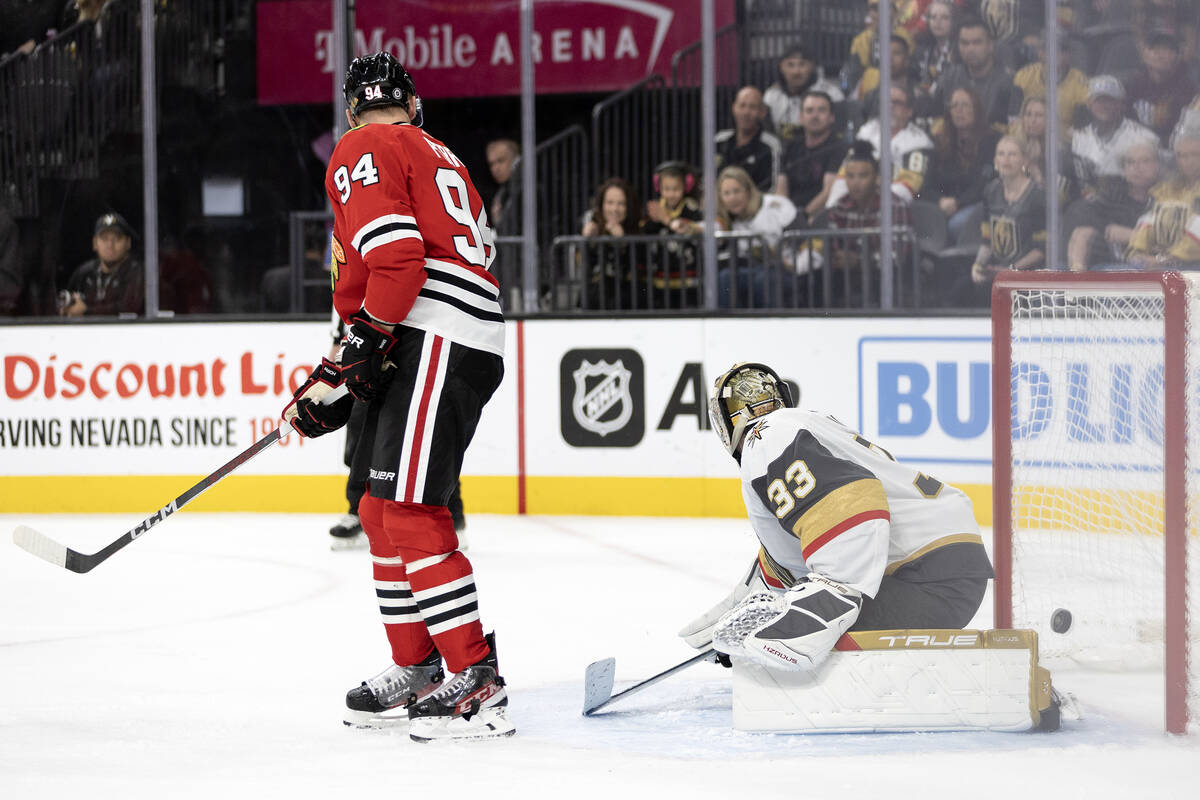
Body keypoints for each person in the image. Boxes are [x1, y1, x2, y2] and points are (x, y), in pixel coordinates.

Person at [279, 52, 511, 742]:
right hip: (428, 329)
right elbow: (374, 280)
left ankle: (475, 676)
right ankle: (418, 666)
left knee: (409, 509)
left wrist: (369, 336)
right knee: (379, 509)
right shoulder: (436, 150)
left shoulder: (360, 147)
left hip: (431, 330)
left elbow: (400, 259)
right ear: (413, 103)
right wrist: (334, 371)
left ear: (351, 112)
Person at [678, 363, 993, 673]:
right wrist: (736, 620)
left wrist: (826, 600)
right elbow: (782, 565)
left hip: (924, 579)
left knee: (788, 640)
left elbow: (855, 499)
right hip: (945, 571)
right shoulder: (808, 425)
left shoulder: (764, 437)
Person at [957, 134, 1046, 305]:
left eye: (1012, 154)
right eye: (1001, 154)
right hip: (998, 272)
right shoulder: (991, 191)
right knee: (960, 290)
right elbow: (987, 240)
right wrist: (978, 265)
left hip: (1027, 276)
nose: (1006, 159)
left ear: (1024, 161)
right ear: (995, 161)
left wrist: (1011, 270)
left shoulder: (1038, 196)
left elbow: (1041, 251)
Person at [826, 85, 934, 209]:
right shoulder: (866, 133)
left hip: (893, 213)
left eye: (897, 103)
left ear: (909, 111)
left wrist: (872, 209)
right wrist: (833, 208)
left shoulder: (918, 142)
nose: (890, 106)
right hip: (855, 208)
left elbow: (906, 189)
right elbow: (844, 177)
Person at [1067, 138, 1162, 271]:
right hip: (1110, 259)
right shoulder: (1111, 195)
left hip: (1152, 263)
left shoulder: (1168, 197)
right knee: (1082, 233)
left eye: (1145, 161)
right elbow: (1080, 224)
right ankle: (1075, 283)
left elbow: (1176, 245)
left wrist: (1132, 236)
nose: (1137, 167)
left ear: (1157, 166)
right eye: (1130, 162)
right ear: (1124, 170)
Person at [926, 87, 1002, 242]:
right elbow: (926, 185)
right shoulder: (940, 143)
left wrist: (958, 203)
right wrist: (940, 201)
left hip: (977, 206)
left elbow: (985, 184)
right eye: (954, 106)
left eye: (965, 105)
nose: (959, 110)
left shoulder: (992, 141)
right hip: (943, 207)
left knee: (955, 225)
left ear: (977, 109)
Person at [715, 165, 797, 308]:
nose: (732, 198)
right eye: (727, 193)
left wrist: (789, 263)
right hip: (754, 269)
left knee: (763, 279)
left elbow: (801, 242)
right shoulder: (727, 220)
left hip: (786, 271)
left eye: (737, 191)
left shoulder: (775, 205)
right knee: (725, 277)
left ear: (748, 190)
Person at [1125, 116, 1200, 268]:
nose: (1188, 161)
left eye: (1194, 154)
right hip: (1162, 261)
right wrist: (1138, 252)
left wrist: (1163, 259)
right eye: (1182, 155)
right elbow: (1149, 221)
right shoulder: (1166, 190)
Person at [1071, 75, 1156, 200]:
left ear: (1122, 104)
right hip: (1094, 203)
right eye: (1098, 101)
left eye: (1110, 101)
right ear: (1089, 104)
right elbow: (1083, 181)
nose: (1104, 106)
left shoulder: (1143, 137)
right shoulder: (1080, 137)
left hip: (1132, 200)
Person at [775, 90, 849, 224]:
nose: (815, 116)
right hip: (789, 216)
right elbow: (781, 189)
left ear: (831, 117)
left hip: (821, 217)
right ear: (800, 117)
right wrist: (785, 216)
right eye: (809, 111)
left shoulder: (839, 148)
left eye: (821, 110)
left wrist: (804, 215)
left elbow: (829, 191)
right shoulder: (790, 147)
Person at [59, 212, 144, 317]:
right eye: (104, 238)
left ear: (128, 243)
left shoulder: (137, 272)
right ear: (95, 243)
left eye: (117, 239)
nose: (110, 245)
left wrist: (87, 311)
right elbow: (66, 300)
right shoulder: (84, 273)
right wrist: (67, 309)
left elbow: (128, 309)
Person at [934, 17, 1014, 128]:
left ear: (990, 46)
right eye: (964, 43)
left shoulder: (1006, 83)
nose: (970, 49)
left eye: (977, 43)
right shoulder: (949, 77)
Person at [643, 161, 703, 308]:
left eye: (676, 189)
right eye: (667, 189)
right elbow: (646, 229)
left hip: (687, 276)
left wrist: (665, 219)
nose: (671, 194)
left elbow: (688, 227)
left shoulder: (691, 207)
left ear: (686, 186)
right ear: (659, 187)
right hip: (661, 276)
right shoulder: (655, 207)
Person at [580, 176, 645, 310]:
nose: (614, 209)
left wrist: (623, 242)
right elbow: (585, 268)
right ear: (601, 205)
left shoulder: (639, 229)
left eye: (621, 204)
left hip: (629, 301)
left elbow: (639, 270)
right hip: (595, 300)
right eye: (610, 203)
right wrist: (587, 242)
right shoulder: (593, 226)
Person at [762, 44, 844, 144]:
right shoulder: (772, 96)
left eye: (802, 64)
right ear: (781, 68)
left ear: (812, 67)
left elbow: (839, 133)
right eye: (790, 65)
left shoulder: (832, 94)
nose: (796, 72)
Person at [1126, 30, 1197, 144]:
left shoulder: (1188, 89)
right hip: (1137, 146)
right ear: (1144, 54)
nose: (1160, 54)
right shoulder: (1132, 85)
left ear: (1177, 56)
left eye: (1167, 49)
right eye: (1154, 49)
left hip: (1174, 147)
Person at [715, 86, 784, 193]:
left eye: (752, 107)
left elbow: (772, 188)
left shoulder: (771, 145)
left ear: (763, 112)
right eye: (742, 106)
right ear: (734, 108)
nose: (746, 112)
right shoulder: (719, 140)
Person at [485, 137, 519, 231]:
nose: (495, 168)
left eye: (501, 161)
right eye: (492, 164)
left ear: (516, 160)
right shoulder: (501, 193)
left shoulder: (528, 187)